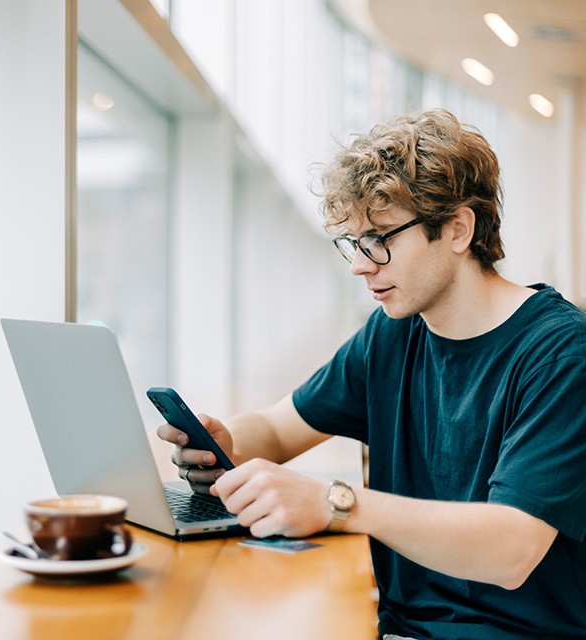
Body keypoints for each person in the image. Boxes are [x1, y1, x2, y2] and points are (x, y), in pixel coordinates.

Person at [156, 109, 586, 639]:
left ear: (458, 228)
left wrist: (336, 504)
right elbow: (276, 429)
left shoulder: (560, 352)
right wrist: (223, 443)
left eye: (380, 238)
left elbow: (511, 549)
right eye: (353, 243)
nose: (361, 265)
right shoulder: (391, 334)